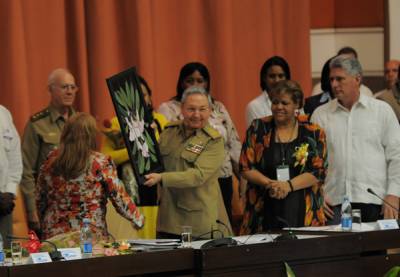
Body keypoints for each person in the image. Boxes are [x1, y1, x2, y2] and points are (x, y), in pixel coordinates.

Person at [311, 56, 400, 223]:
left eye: (340, 79)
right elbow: (311, 161)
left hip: (376, 201)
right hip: (333, 203)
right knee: (337, 250)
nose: (334, 84)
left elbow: (397, 156)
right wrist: (317, 194)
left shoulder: (381, 111)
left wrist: (394, 194)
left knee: (376, 250)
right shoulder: (320, 115)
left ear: (357, 79)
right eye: (332, 79)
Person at [36, 113, 144, 240]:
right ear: (90, 136)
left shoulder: (51, 161)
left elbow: (39, 199)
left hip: (55, 236)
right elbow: (119, 198)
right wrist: (138, 219)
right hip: (89, 236)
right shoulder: (100, 162)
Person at [239, 80, 327, 235]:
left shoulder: (313, 132)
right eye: (275, 102)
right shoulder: (258, 128)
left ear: (297, 105)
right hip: (263, 209)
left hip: (304, 211)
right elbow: (245, 166)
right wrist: (271, 184)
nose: (279, 107)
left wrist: (288, 186)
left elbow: (318, 171)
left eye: (285, 103)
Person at [158, 62, 241, 224]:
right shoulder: (168, 108)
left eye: (200, 80)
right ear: (181, 82)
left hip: (221, 175)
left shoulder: (218, 107)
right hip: (182, 177)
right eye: (190, 80)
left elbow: (234, 143)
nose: (195, 85)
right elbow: (163, 145)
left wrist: (243, 178)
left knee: (218, 224)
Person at [146, 87, 230, 239]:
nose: (197, 115)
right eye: (191, 109)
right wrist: (146, 139)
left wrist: (162, 178)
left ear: (210, 110)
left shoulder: (214, 141)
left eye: (202, 109)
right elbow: (156, 161)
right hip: (167, 219)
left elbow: (197, 176)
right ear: (182, 109)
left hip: (196, 223)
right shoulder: (170, 131)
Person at [101, 76, 167, 239]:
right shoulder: (116, 123)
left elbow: (167, 153)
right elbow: (106, 159)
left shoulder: (161, 120)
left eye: (144, 94)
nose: (141, 98)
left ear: (150, 97)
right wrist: (134, 149)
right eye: (136, 94)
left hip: (156, 189)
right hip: (129, 191)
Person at [21, 68, 78, 233]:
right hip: (50, 207)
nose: (69, 92)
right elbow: (26, 170)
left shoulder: (81, 122)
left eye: (72, 87)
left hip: (80, 206)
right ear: (51, 89)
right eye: (64, 87)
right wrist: (32, 210)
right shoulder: (37, 124)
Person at [246, 56, 291, 127]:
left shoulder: (294, 103)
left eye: (281, 76)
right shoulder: (254, 106)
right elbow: (254, 136)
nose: (277, 80)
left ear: (287, 78)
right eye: (272, 76)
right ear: (264, 78)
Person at [0, 105, 22, 248]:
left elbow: (14, 156)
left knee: (6, 261)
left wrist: (10, 191)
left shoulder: (3, 113)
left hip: (3, 205)